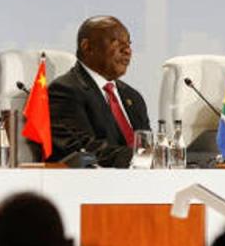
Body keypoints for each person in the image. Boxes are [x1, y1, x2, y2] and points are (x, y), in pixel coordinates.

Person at [48, 15, 150, 167]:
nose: (127, 50)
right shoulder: (64, 91)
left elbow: (146, 145)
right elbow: (81, 149)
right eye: (116, 42)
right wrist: (140, 158)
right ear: (87, 47)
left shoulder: (133, 97)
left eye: (128, 43)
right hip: (92, 185)